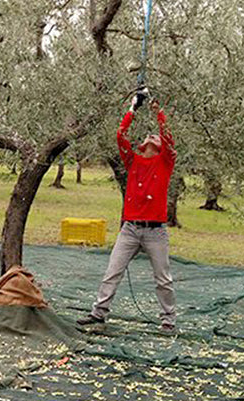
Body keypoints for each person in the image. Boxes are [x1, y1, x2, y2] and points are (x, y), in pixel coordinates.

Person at [76, 89, 177, 333]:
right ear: (143, 145)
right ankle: (98, 313)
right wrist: (133, 108)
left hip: (155, 231)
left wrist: (158, 112)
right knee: (113, 271)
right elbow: (120, 135)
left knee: (163, 278)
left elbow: (169, 138)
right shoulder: (133, 161)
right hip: (130, 229)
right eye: (149, 136)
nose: (152, 137)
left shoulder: (165, 162)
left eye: (155, 136)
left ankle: (169, 321)